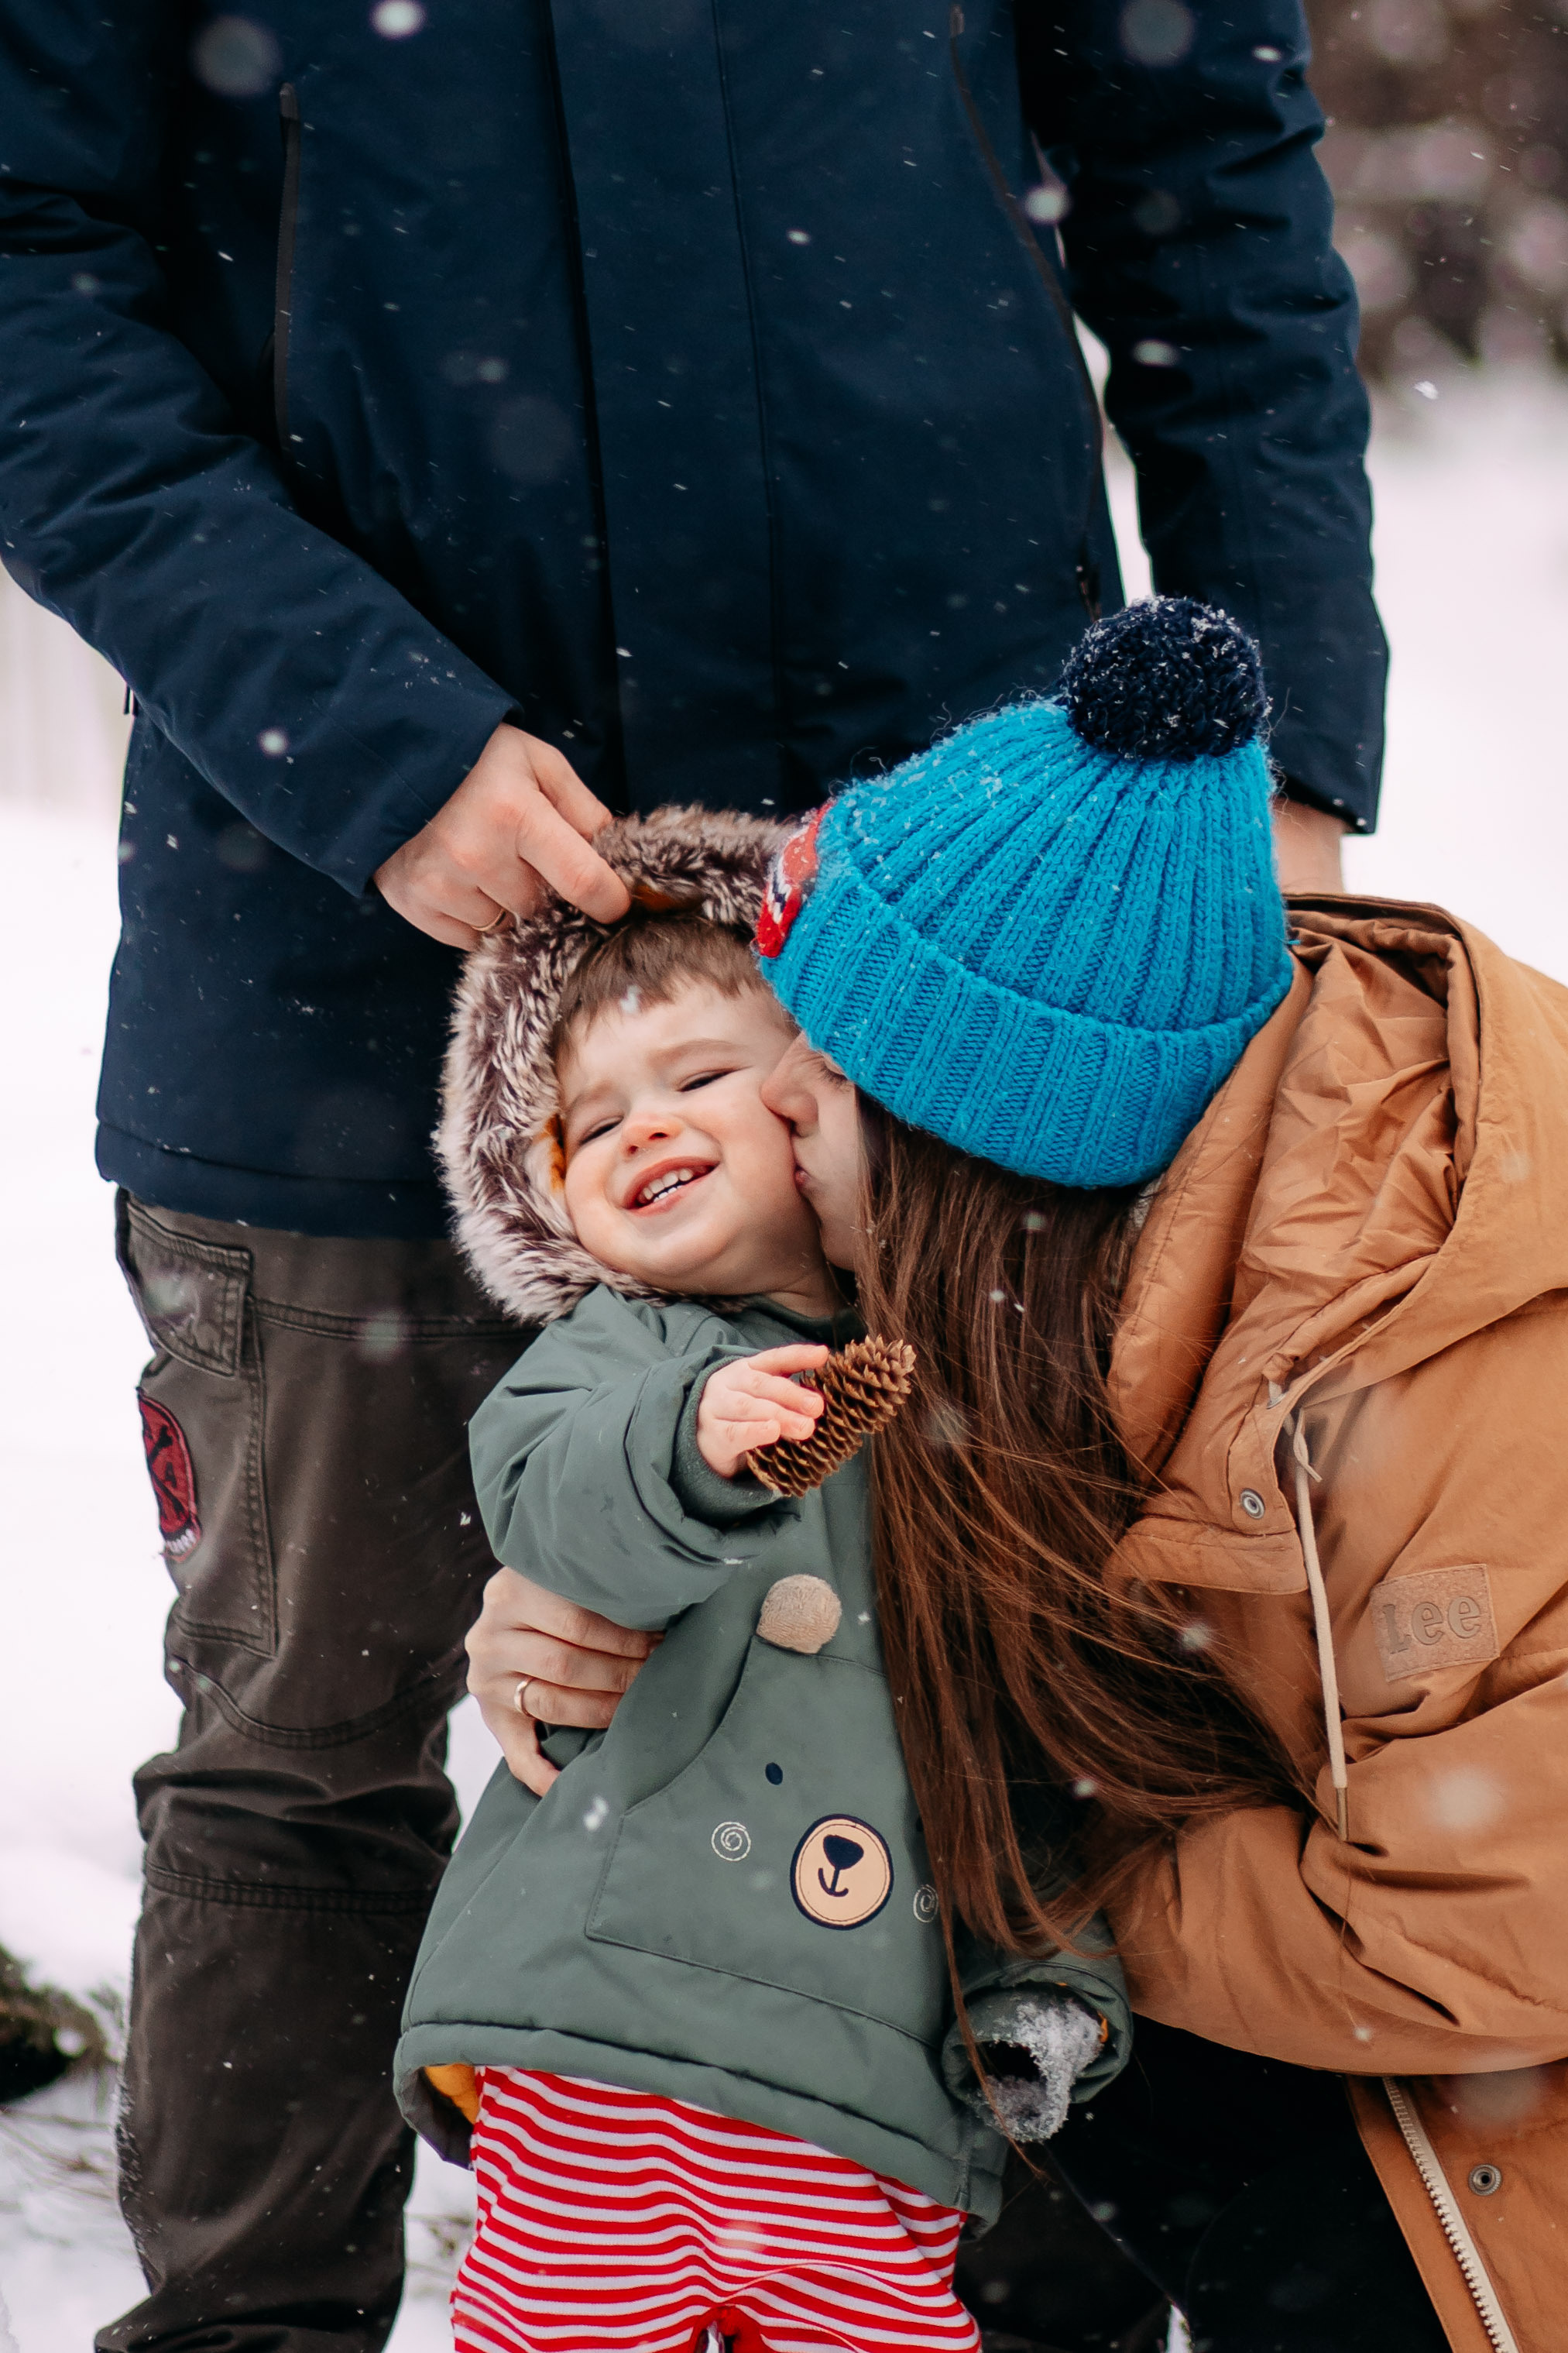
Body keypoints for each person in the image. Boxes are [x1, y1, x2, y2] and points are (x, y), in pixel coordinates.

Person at [0, 7, 1384, 2344]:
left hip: (946, 911)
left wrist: (1279, 736)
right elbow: (28, 272)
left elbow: (1211, 179)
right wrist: (361, 728)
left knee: (1037, 1694)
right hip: (337, 937)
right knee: (304, 1742)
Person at [468, 599, 1568, 2353]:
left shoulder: (1448, 1373)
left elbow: (1484, 1936)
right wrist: (604, 1572)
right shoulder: (1088, 1245)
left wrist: (1016, 1899)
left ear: (961, 1147)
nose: (768, 1121)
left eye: (811, 1082)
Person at [393, 831, 1131, 2350]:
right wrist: (690, 1445)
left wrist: (1042, 1974)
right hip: (598, 2047)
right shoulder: (614, 1358)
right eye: (588, 1118)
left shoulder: (964, 1403)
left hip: (865, 2107)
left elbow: (1019, 1743)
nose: (637, 1127)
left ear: (816, 1096)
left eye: (693, 1078)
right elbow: (551, 1499)